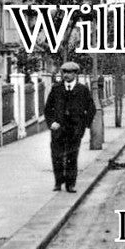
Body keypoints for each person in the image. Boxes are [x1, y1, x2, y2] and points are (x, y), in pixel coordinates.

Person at [43, 61, 97, 192]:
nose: (66, 75)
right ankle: (58, 182)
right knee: (57, 156)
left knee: (72, 157)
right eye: (64, 72)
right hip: (58, 130)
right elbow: (47, 109)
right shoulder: (56, 89)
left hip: (74, 130)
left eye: (69, 72)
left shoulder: (82, 90)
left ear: (75, 74)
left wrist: (84, 125)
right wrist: (51, 123)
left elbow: (91, 109)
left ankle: (70, 184)